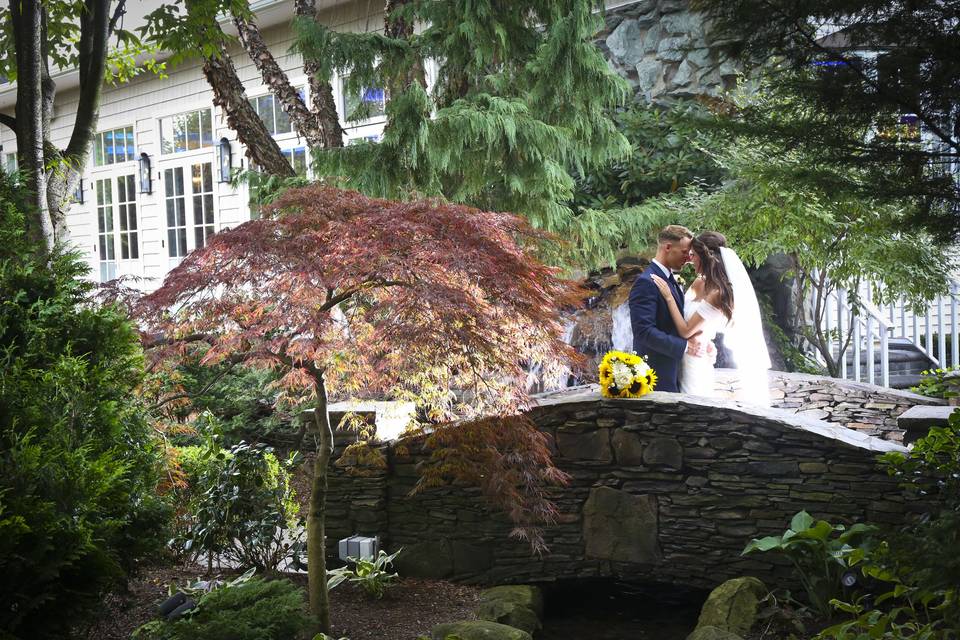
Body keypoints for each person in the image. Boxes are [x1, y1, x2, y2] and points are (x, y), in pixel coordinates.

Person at [650, 231, 772, 403]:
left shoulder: (718, 294)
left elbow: (686, 331)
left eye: (693, 255)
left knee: (693, 404)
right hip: (680, 354)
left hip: (695, 359)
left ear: (704, 256)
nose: (690, 260)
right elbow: (687, 315)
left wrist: (669, 297)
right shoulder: (699, 281)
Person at [628, 225, 705, 393]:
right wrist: (684, 347)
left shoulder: (670, 279)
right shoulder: (646, 282)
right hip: (655, 377)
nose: (689, 259)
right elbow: (644, 332)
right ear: (668, 247)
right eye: (685, 252)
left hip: (674, 372)